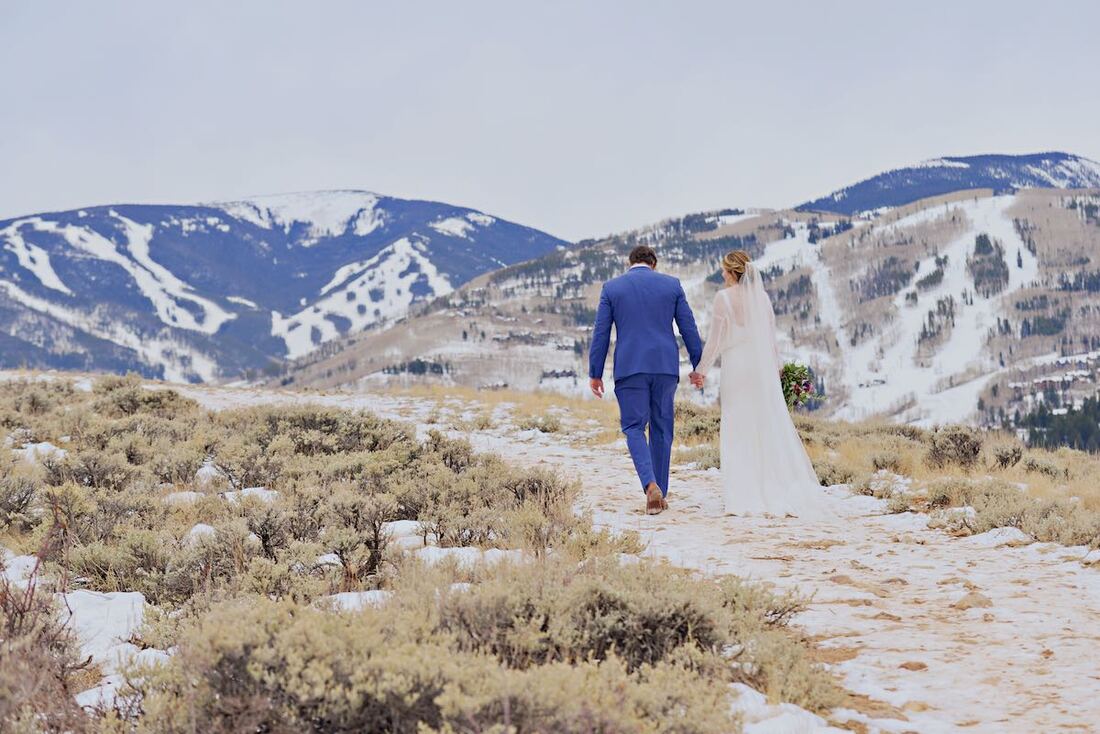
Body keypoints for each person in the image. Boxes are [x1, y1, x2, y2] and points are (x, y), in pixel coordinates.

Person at [693, 250, 831, 518]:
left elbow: (716, 340)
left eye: (724, 270)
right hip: (760, 368)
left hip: (736, 368)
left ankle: (742, 492)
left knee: (737, 424)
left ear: (733, 272)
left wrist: (702, 370)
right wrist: (777, 368)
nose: (722, 274)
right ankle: (771, 485)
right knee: (762, 424)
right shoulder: (762, 298)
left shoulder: (723, 298)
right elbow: (770, 339)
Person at [588, 245, 703, 515]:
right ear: (654, 263)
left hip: (630, 367)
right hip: (665, 366)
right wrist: (698, 365)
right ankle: (660, 490)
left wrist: (595, 372)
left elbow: (601, 334)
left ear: (631, 263)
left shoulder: (612, 288)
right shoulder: (671, 285)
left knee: (633, 427)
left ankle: (651, 486)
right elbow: (688, 327)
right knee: (662, 428)